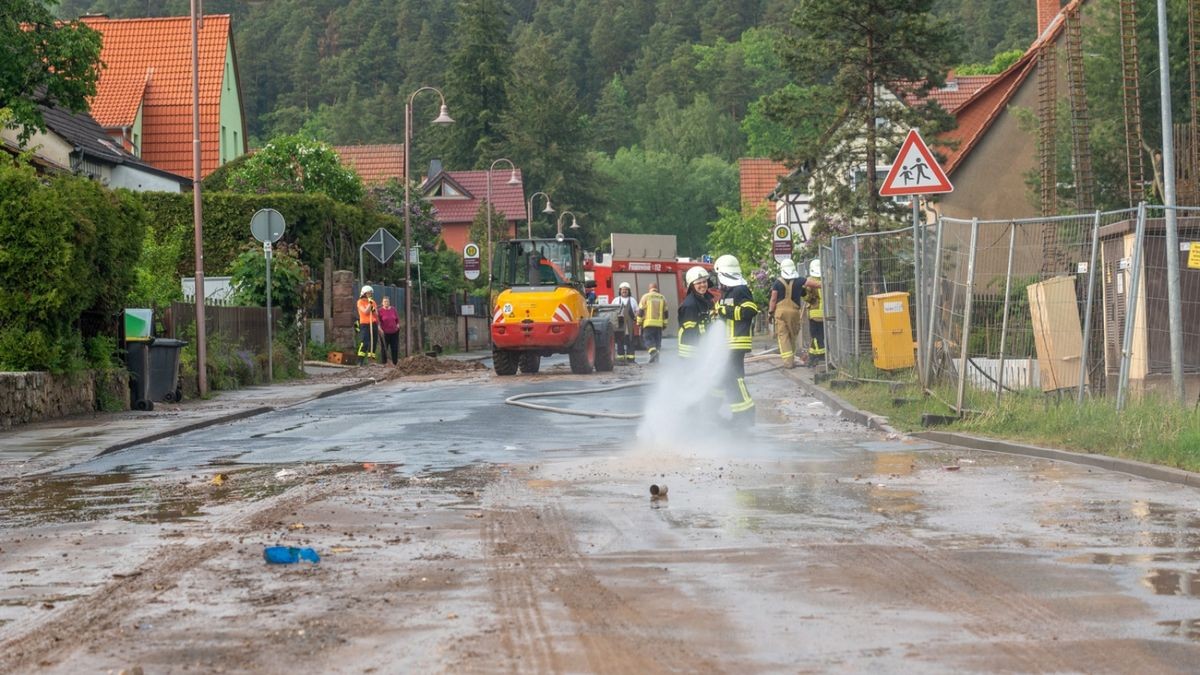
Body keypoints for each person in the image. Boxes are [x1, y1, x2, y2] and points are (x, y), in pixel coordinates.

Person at [712, 254, 758, 425]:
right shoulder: (728, 292)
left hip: (737, 341)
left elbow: (750, 310)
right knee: (729, 378)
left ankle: (747, 413)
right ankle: (738, 414)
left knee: (735, 378)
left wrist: (725, 311)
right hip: (729, 342)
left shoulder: (741, 290)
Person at [767, 259, 805, 368]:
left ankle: (788, 362)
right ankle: (792, 359)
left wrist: (770, 313)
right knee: (792, 335)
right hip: (794, 312)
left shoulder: (777, 283)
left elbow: (773, 299)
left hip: (780, 313)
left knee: (783, 336)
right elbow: (811, 284)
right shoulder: (799, 281)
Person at [677, 266, 714, 359]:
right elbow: (691, 332)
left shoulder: (707, 300)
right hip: (691, 350)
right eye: (698, 283)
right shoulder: (690, 305)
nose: (702, 285)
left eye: (704, 281)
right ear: (692, 286)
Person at [637, 282, 668, 364]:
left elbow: (640, 311)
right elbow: (666, 313)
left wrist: (639, 322)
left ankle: (653, 353)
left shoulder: (645, 297)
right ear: (656, 288)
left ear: (649, 288)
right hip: (659, 324)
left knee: (647, 339)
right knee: (657, 341)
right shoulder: (662, 297)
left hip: (648, 324)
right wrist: (665, 324)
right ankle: (656, 359)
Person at [803, 259, 826, 366]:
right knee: (820, 336)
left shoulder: (810, 281)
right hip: (826, 313)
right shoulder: (826, 280)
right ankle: (812, 357)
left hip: (814, 314)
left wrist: (806, 296)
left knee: (816, 336)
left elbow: (807, 297)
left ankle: (821, 356)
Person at [613, 281, 638, 363]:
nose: (624, 291)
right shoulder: (616, 300)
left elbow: (637, 311)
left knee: (630, 341)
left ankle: (631, 358)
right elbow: (612, 311)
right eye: (623, 289)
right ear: (620, 291)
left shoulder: (633, 300)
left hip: (629, 324)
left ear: (629, 291)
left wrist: (636, 318)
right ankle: (620, 358)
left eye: (626, 290)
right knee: (620, 341)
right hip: (619, 324)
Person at [356, 285, 379, 365]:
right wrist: (369, 304)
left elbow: (376, 314)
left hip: (373, 323)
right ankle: (360, 360)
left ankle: (371, 359)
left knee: (374, 342)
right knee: (365, 342)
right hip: (364, 324)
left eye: (370, 293)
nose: (370, 295)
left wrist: (372, 308)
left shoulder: (373, 302)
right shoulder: (360, 302)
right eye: (368, 293)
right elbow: (365, 312)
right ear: (364, 293)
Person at [377, 295, 400, 365]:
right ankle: (384, 363)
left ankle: (395, 363)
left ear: (389, 302)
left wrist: (398, 325)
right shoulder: (380, 311)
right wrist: (380, 329)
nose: (386, 303)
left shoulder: (393, 309)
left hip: (394, 332)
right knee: (384, 349)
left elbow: (397, 320)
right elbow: (378, 322)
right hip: (385, 333)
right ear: (382, 302)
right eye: (385, 301)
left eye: (387, 301)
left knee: (395, 348)